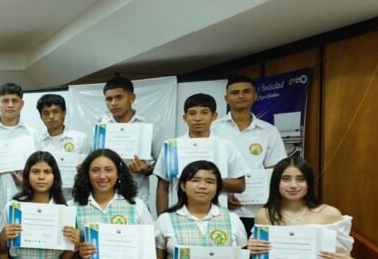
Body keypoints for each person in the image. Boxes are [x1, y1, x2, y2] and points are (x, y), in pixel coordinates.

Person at [213, 75, 288, 259]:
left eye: (246, 92)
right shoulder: (214, 129)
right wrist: (225, 192)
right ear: (226, 98)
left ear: (255, 95)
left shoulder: (268, 131)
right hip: (221, 210)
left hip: (256, 212)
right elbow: (204, 169)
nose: (240, 96)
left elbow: (274, 171)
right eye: (235, 92)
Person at [154, 93, 249, 215]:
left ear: (214, 116)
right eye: (192, 113)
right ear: (185, 117)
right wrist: (162, 218)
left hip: (217, 214)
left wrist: (209, 179)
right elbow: (162, 187)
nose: (198, 118)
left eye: (204, 113)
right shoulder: (173, 146)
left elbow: (240, 186)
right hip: (178, 214)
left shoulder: (226, 146)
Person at [0, 83, 36, 223]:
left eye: (14, 101)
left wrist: (26, 182)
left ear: (22, 104)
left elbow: (39, 168)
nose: (10, 105)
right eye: (5, 101)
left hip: (23, 203)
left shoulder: (32, 133)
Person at [98, 77, 160, 205]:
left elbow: (162, 166)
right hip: (104, 198)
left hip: (138, 198)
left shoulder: (150, 127)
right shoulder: (101, 127)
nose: (113, 103)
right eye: (109, 99)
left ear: (132, 98)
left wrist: (147, 169)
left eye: (119, 97)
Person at [34, 93, 90, 203]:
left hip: (75, 198)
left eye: (55, 112)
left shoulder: (81, 138)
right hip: (47, 199)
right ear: (41, 117)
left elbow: (89, 169)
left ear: (64, 113)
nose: (51, 116)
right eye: (46, 113)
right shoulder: (37, 142)